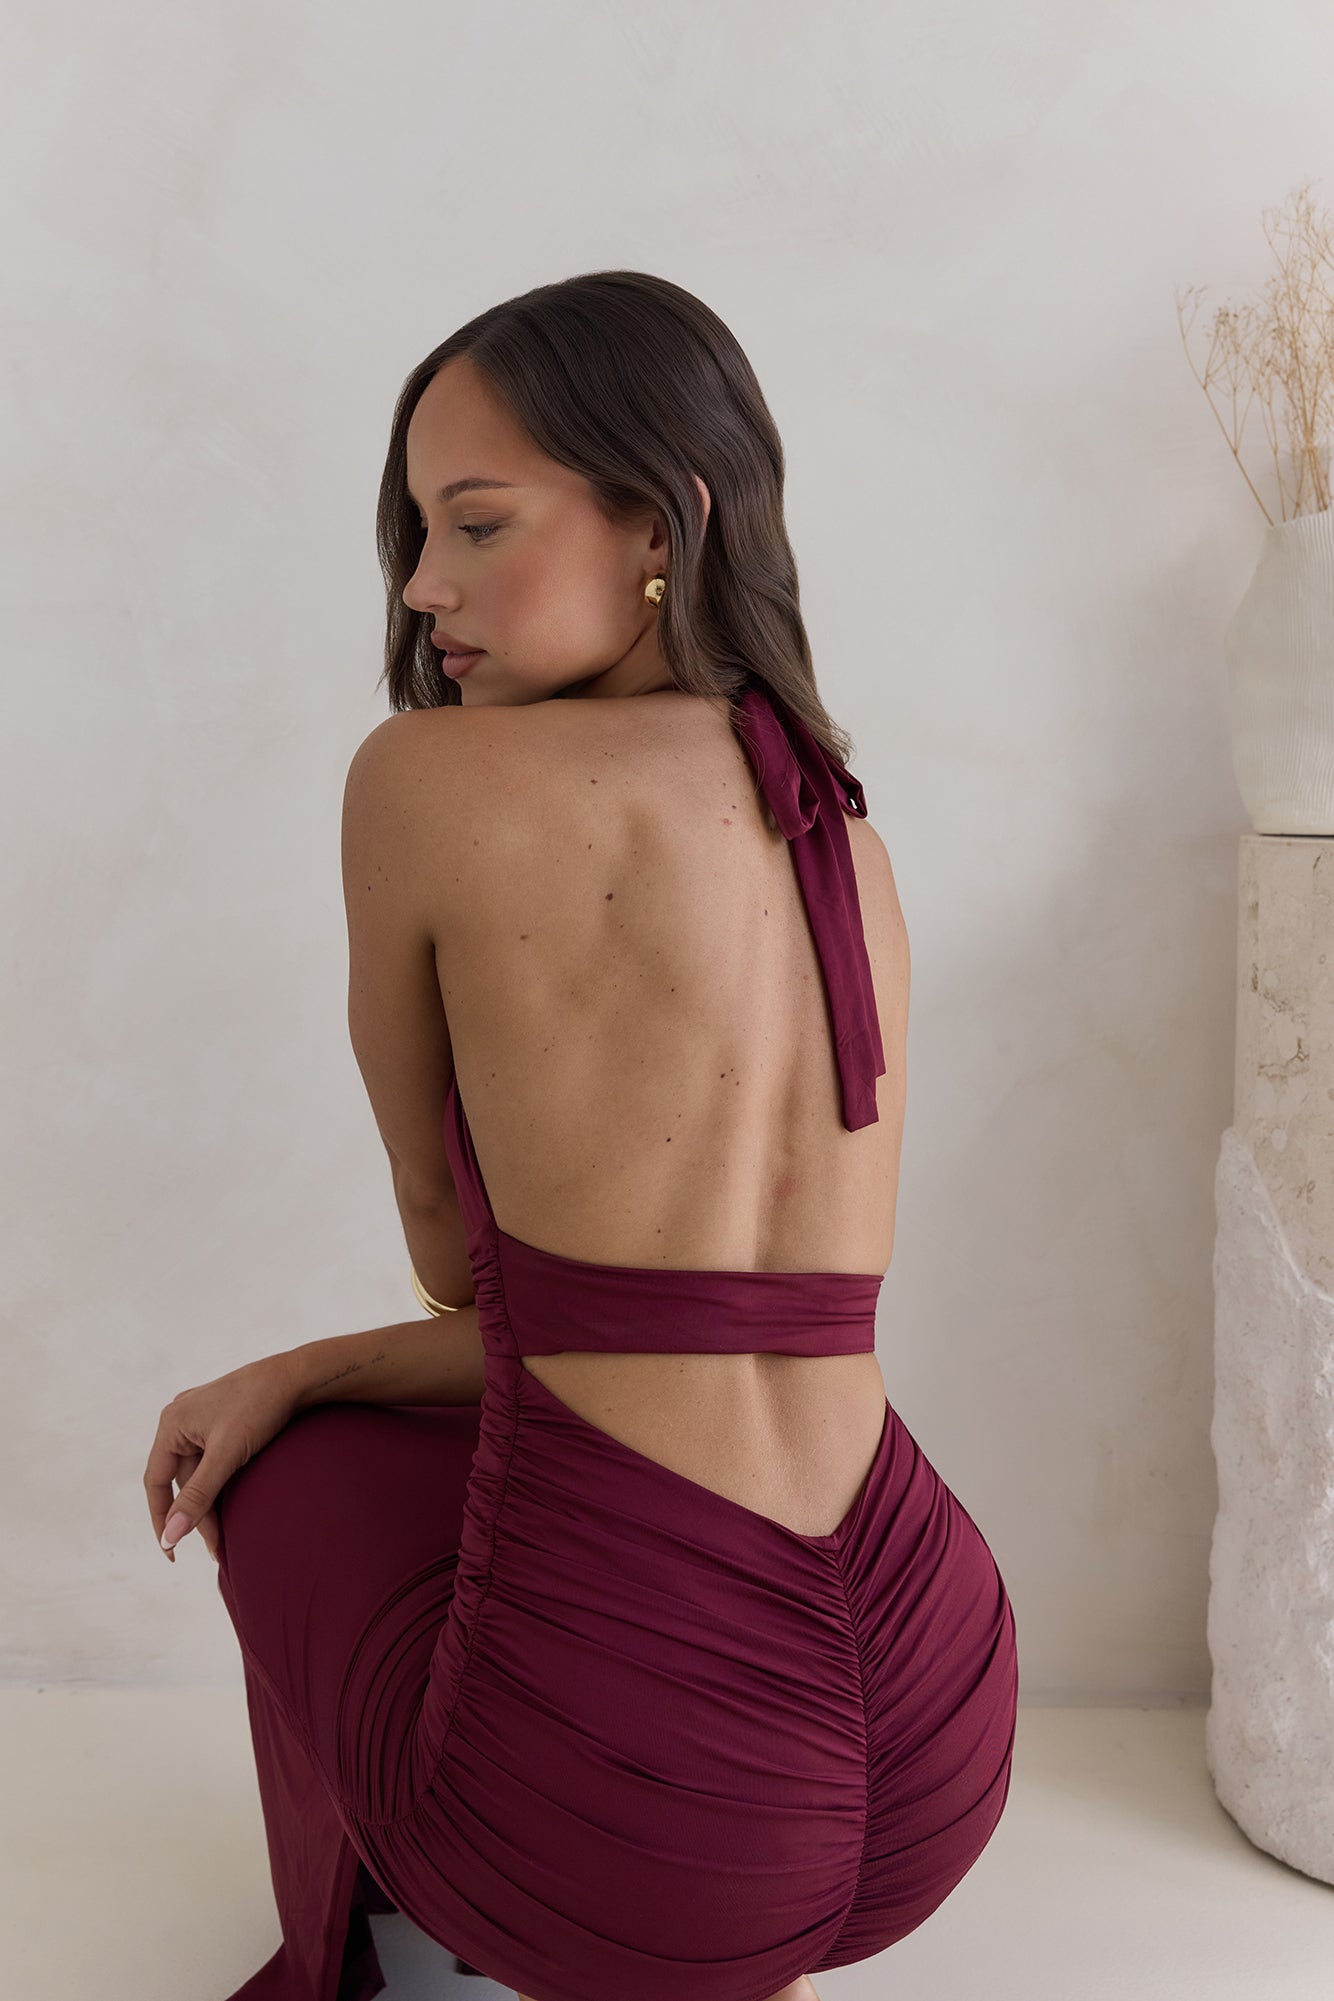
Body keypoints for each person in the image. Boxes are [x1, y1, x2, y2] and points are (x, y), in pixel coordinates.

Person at [144, 270, 1018, 2001]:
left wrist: (296, 1391)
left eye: (476, 524)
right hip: (936, 1733)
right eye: (418, 531)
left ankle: (519, 1925)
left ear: (662, 521)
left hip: (641, 1820)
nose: (422, 585)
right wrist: (308, 1361)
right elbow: (687, 1327)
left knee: (296, 1475)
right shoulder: (838, 827)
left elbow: (465, 1279)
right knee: (394, 1423)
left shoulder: (426, 781)